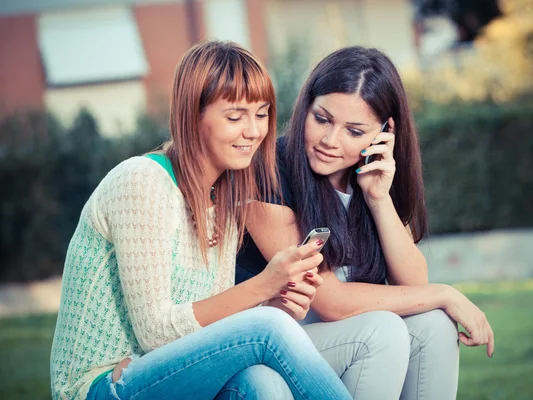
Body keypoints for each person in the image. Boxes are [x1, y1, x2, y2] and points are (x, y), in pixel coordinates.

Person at [50, 41, 354, 400]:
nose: (254, 131)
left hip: (164, 371)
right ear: (193, 115)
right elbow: (156, 332)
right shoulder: (141, 182)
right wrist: (264, 285)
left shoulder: (222, 198)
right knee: (267, 329)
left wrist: (276, 302)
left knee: (262, 381)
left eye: (262, 113)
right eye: (235, 116)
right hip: (99, 386)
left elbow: (207, 324)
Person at [236, 46, 495, 400]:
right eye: (322, 119)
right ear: (306, 107)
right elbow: (331, 302)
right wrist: (446, 293)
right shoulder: (266, 171)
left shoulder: (374, 177)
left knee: (434, 325)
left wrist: (378, 199)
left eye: (354, 132)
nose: (330, 141)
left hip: (341, 340)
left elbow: (414, 283)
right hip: (280, 343)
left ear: (383, 133)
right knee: (383, 330)